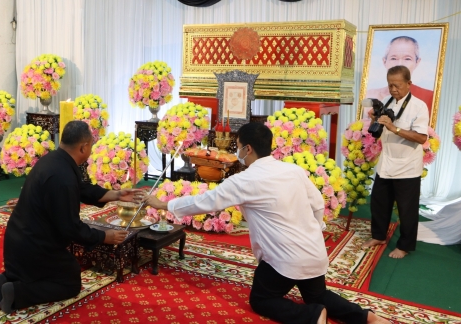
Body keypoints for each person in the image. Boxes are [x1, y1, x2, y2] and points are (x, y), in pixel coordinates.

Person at [145, 122, 388, 324]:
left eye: (238, 146)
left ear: (248, 148)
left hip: (284, 259)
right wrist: (313, 232)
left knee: (261, 299)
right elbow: (317, 204)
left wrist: (163, 205)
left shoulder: (244, 180)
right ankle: (368, 317)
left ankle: (312, 316)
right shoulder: (293, 171)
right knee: (317, 294)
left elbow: (204, 202)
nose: (237, 151)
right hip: (314, 253)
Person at [0, 120, 145, 314]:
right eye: (91, 145)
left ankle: (5, 280)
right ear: (83, 147)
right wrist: (104, 237)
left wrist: (117, 195)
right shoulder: (62, 177)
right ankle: (17, 292)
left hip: (16, 244)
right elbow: (70, 227)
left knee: (54, 269)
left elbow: (81, 189)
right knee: (70, 281)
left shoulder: (54, 160)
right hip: (33, 248)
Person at [362, 66, 429, 259]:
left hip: (407, 166)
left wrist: (394, 128)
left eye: (397, 85)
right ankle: (379, 236)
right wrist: (374, 120)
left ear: (409, 83)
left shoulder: (419, 106)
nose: (393, 89)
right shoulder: (386, 101)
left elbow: (421, 138)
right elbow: (378, 132)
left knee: (406, 209)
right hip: (386, 162)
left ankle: (404, 246)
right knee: (379, 203)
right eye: (390, 85)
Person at [365, 36, 434, 117]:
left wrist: (392, 125)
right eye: (394, 58)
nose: (400, 64)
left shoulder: (426, 98)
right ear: (384, 61)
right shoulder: (371, 95)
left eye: (407, 59)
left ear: (417, 62)